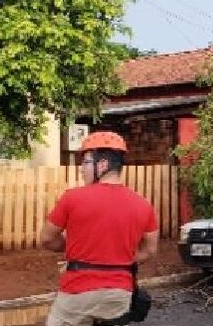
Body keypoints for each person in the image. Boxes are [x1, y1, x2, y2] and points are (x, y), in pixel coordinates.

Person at [40, 131, 159, 326]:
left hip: (77, 291)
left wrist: (73, 248)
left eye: (85, 162)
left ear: (102, 165)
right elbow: (150, 250)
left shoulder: (73, 198)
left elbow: (47, 239)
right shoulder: (143, 205)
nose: (81, 169)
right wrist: (117, 257)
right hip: (120, 293)